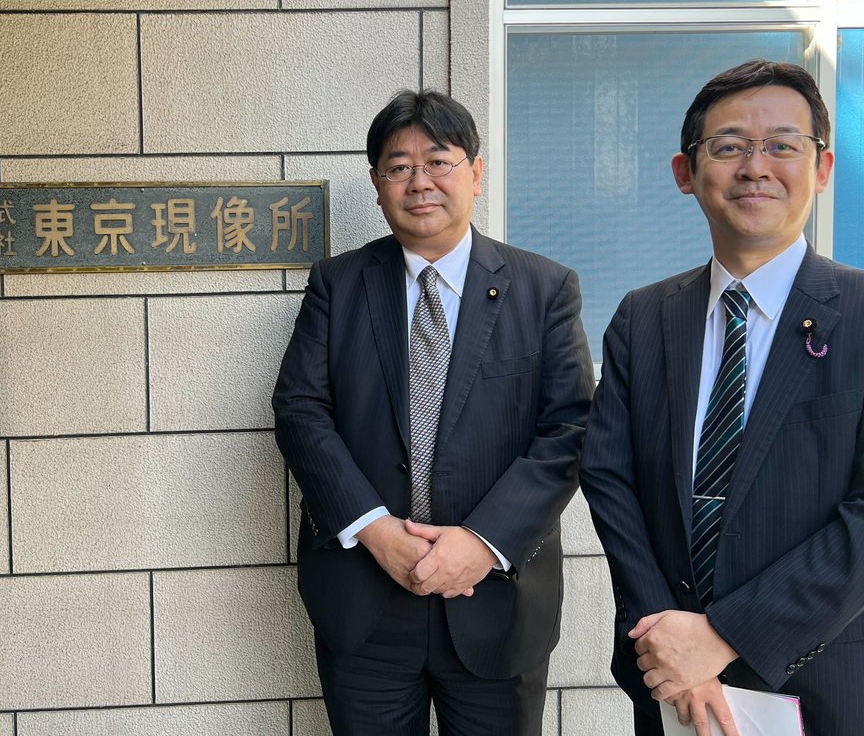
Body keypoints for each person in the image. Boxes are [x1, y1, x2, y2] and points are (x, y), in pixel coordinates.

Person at [272, 89, 594, 735]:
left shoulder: (543, 288)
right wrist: (374, 529)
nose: (419, 182)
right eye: (399, 167)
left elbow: (570, 427)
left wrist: (481, 542)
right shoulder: (338, 283)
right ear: (377, 184)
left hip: (494, 597)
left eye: (439, 162)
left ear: (476, 172)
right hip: (366, 597)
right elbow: (300, 410)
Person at [580, 59, 864, 736]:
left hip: (824, 684)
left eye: (782, 146)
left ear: (822, 168)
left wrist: (725, 635)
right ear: (686, 172)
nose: (755, 167)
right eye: (730, 146)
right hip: (670, 681)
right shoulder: (644, 318)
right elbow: (610, 479)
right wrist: (673, 645)